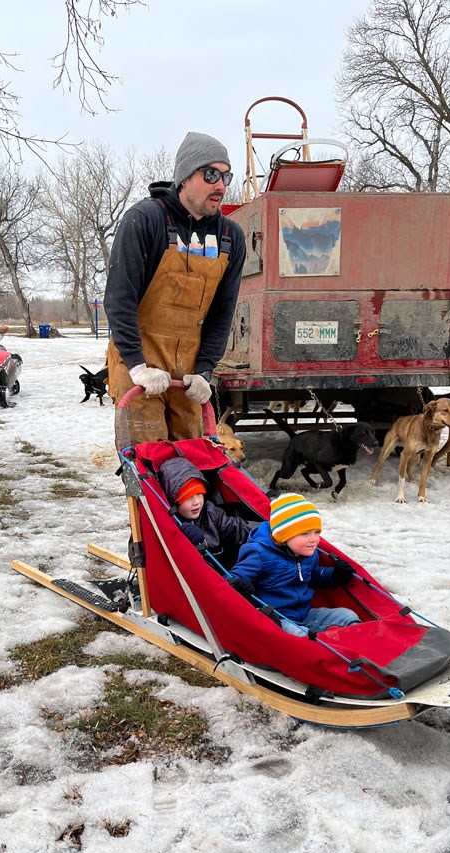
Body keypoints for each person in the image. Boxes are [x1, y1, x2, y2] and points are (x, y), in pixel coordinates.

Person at [104, 131, 246, 445]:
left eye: (226, 176)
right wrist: (138, 366)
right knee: (148, 461)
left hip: (188, 370)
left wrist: (205, 368)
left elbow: (223, 312)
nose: (220, 186)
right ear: (184, 177)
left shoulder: (230, 238)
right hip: (138, 361)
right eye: (211, 175)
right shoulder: (145, 220)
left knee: (192, 459)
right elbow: (119, 299)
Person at [227, 493, 360, 636]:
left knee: (348, 616)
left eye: (316, 532)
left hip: (305, 614)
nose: (314, 539)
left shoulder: (307, 552)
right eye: (305, 534)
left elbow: (313, 576)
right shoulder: (258, 552)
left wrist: (334, 575)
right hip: (275, 618)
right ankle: (317, 652)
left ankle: (362, 647)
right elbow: (230, 580)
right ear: (284, 535)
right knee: (300, 635)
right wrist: (240, 584)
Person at [159, 457, 257, 567]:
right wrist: (188, 544)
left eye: (199, 494)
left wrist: (268, 529)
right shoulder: (169, 524)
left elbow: (237, 528)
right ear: (174, 502)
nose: (196, 502)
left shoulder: (210, 512)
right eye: (187, 497)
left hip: (225, 569)